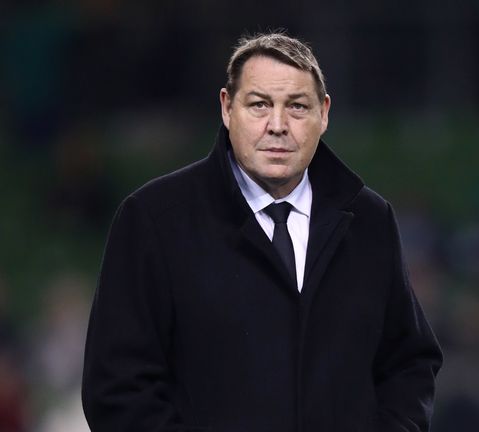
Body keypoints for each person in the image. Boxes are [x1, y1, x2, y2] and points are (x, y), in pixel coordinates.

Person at [82, 32, 442, 431]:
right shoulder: (154, 220)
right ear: (226, 108)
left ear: (324, 113)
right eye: (259, 105)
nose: (277, 125)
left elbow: (408, 365)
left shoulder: (370, 221)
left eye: (297, 107)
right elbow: (118, 389)